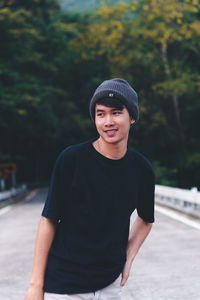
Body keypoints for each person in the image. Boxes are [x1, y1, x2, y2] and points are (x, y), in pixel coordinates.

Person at [25, 78, 155, 300]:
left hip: (110, 284)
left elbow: (146, 219)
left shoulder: (141, 168)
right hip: (65, 285)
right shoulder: (72, 159)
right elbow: (49, 220)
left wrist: (128, 257)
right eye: (100, 114)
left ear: (131, 117)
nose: (108, 121)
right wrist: (36, 286)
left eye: (116, 112)